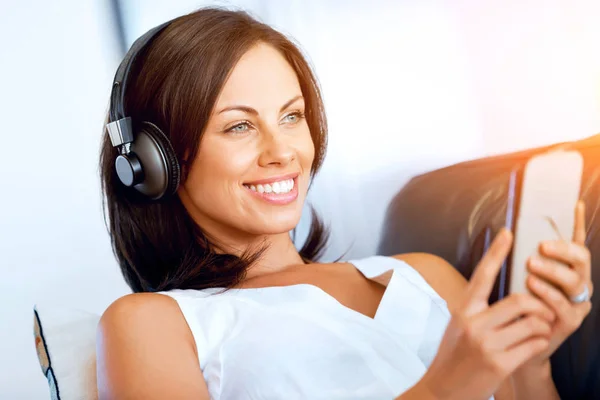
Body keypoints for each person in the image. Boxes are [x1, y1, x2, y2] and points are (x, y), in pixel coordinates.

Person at [96, 7, 593, 400]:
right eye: (240, 126)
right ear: (154, 163)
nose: (283, 151)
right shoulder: (153, 323)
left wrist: (530, 362)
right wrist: (443, 390)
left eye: (291, 117)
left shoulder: (427, 276)